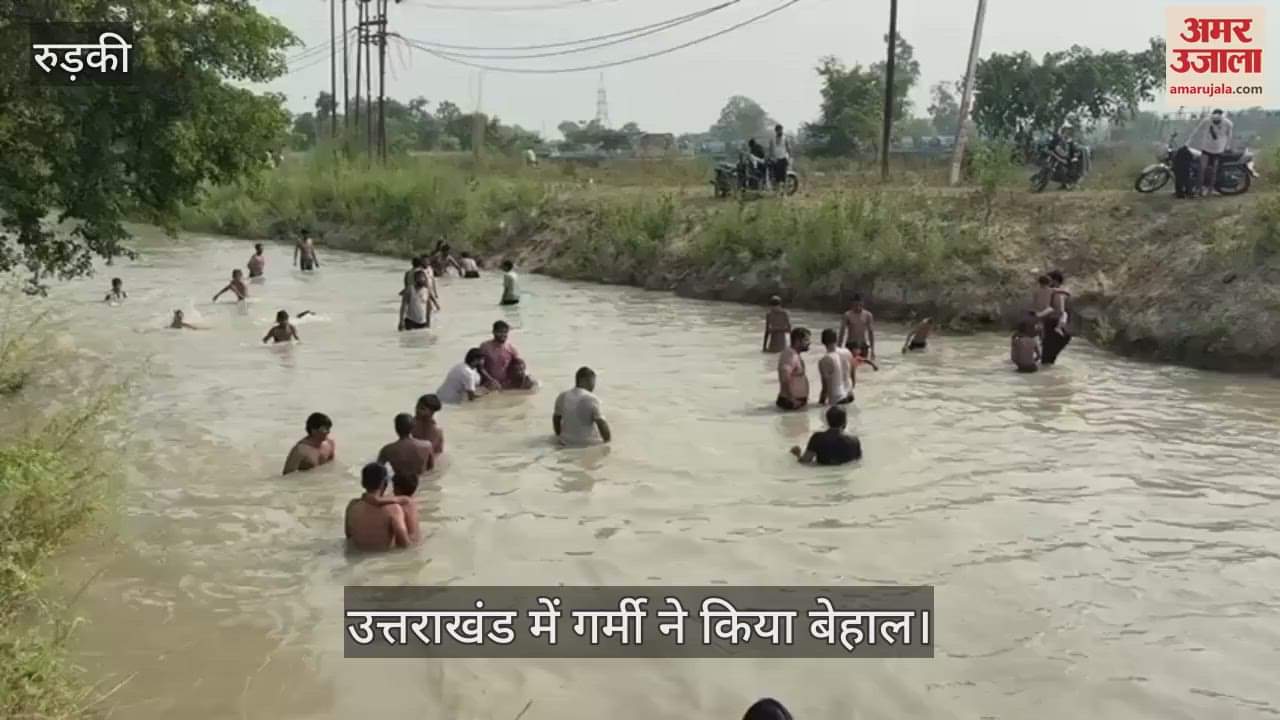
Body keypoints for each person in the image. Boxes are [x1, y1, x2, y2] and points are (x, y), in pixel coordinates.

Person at [344, 463, 413, 552]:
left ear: (362, 483)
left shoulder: (352, 506)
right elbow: (404, 544)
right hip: (382, 561)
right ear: (384, 483)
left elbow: (349, 537)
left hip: (356, 558)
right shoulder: (393, 510)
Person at [553, 366, 612, 446]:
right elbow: (602, 424)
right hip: (587, 444)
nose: (593, 385)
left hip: (565, 442)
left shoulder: (562, 396)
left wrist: (559, 436)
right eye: (592, 381)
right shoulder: (592, 398)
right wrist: (608, 444)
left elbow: (556, 419)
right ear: (584, 380)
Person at [790, 405, 863, 465]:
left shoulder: (817, 438)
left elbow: (805, 462)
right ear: (845, 422)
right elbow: (857, 462)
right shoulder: (854, 441)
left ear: (827, 421)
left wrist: (797, 454)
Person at [377, 413, 435, 484]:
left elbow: (377, 472)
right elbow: (431, 468)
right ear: (413, 427)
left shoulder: (387, 450)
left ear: (396, 428)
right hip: (421, 483)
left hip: (399, 485)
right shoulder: (427, 445)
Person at [1187, 109, 1233, 197]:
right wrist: (1189, 141)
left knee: (1213, 171)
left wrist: (1227, 146)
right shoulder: (1206, 121)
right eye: (1214, 120)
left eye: (1217, 120)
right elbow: (1197, 131)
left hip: (1218, 150)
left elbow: (1229, 136)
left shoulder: (1228, 123)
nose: (1215, 122)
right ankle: (1199, 189)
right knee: (1202, 169)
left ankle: (1210, 190)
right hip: (1206, 148)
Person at [1040, 270, 1072, 365]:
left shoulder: (1057, 294)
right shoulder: (1061, 292)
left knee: (1046, 362)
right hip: (1060, 328)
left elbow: (1059, 310)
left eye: (1049, 280)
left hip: (1053, 327)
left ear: (1055, 281)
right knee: (1048, 362)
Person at [816, 328, 855, 407]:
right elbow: (853, 375)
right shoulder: (847, 352)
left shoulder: (824, 360)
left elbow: (825, 388)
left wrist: (820, 404)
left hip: (837, 399)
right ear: (836, 339)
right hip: (850, 395)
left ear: (823, 341)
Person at [776, 327, 811, 411]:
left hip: (796, 403)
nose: (809, 343)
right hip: (791, 403)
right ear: (797, 341)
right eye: (806, 340)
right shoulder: (789, 355)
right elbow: (784, 376)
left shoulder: (795, 354)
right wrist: (791, 398)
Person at [479, 320, 522, 388]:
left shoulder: (511, 348)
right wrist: (491, 380)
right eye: (500, 332)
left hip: (506, 384)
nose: (503, 335)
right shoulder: (485, 347)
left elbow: (519, 366)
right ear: (494, 332)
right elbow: (480, 367)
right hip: (488, 383)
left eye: (505, 332)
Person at [839, 294, 876, 360]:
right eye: (856, 305)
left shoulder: (868, 315)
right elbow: (842, 332)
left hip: (863, 345)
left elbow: (871, 333)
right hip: (851, 345)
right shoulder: (847, 315)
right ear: (852, 304)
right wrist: (838, 348)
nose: (858, 307)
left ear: (863, 304)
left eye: (860, 305)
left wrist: (873, 350)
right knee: (851, 366)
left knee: (863, 367)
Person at [1046, 125, 1079, 189]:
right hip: (1055, 154)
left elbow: (1073, 150)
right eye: (1066, 130)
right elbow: (1051, 144)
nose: (1067, 132)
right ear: (1063, 130)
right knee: (1047, 162)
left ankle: (1067, 183)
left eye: (1068, 130)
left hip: (1064, 157)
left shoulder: (1071, 141)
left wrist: (1074, 154)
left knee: (1066, 168)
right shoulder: (1058, 137)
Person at [767, 124, 792, 190]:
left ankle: (784, 193)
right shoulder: (772, 139)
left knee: (783, 176)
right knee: (776, 177)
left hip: (783, 159)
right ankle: (777, 192)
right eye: (778, 130)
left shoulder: (785, 138)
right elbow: (770, 149)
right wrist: (770, 157)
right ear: (776, 131)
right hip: (776, 160)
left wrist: (789, 158)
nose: (780, 131)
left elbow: (788, 148)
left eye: (781, 130)